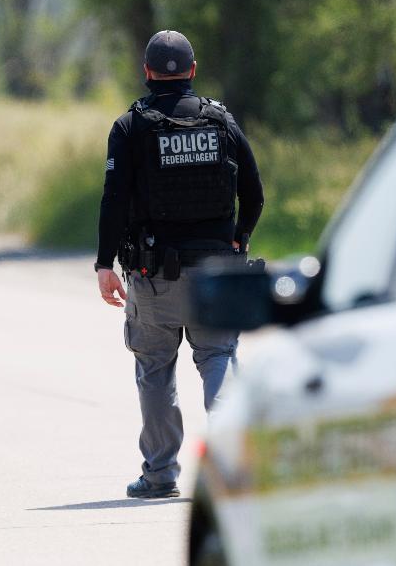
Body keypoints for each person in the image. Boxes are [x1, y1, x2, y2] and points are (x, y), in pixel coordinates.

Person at [96, 30, 264, 498]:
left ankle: (160, 473)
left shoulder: (131, 127)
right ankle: (235, 466)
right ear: (192, 70)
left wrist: (104, 263)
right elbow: (254, 193)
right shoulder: (222, 121)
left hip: (154, 277)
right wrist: (238, 240)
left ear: (147, 72)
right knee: (219, 359)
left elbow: (114, 200)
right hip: (217, 272)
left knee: (154, 368)